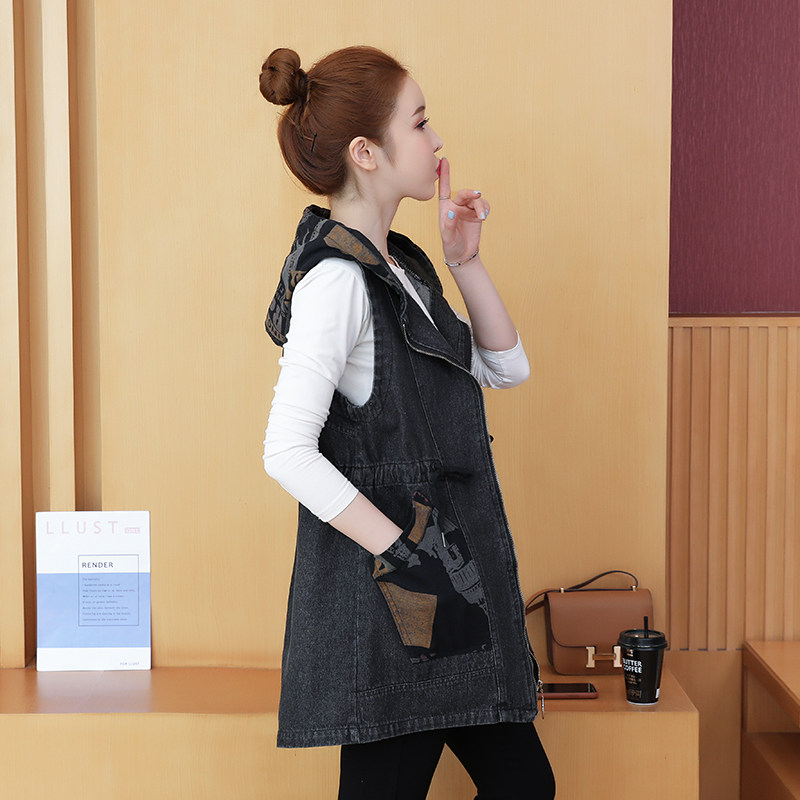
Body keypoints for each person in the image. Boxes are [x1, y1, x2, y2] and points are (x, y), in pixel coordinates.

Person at [259, 45, 555, 800]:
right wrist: (405, 555)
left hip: (443, 587)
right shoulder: (336, 282)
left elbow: (505, 368)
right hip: (398, 599)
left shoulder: (403, 267)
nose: (437, 140)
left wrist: (465, 263)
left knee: (524, 786)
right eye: (419, 123)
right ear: (367, 152)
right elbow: (286, 450)